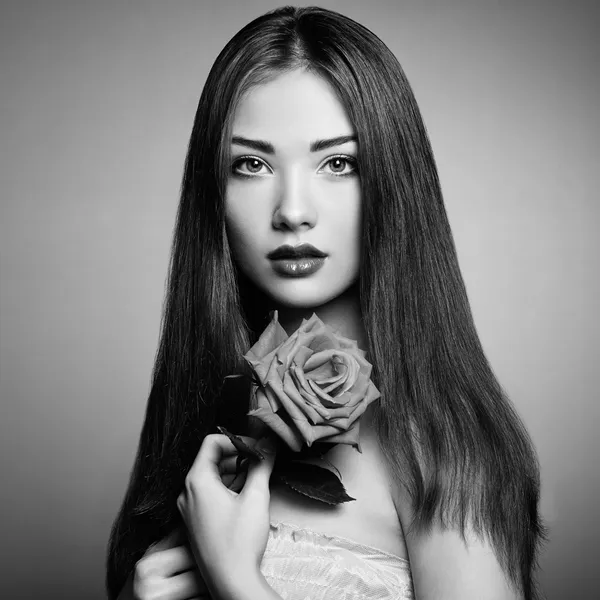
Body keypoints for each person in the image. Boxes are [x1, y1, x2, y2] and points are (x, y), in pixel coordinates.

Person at [106, 6, 545, 600]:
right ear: (215, 191)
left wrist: (234, 578)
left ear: (392, 180)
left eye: (338, 163)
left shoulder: (440, 447)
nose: (293, 210)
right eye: (252, 164)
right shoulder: (208, 417)